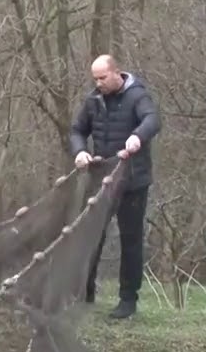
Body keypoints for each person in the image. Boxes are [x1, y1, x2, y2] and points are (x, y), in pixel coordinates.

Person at [68, 54, 161, 320]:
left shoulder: (137, 96)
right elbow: (77, 130)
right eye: (95, 79)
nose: (98, 84)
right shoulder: (93, 101)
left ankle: (127, 300)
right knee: (90, 236)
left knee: (131, 240)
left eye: (102, 78)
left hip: (133, 181)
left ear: (116, 73)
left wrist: (137, 137)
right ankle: (84, 295)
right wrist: (80, 152)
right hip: (102, 180)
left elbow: (152, 121)